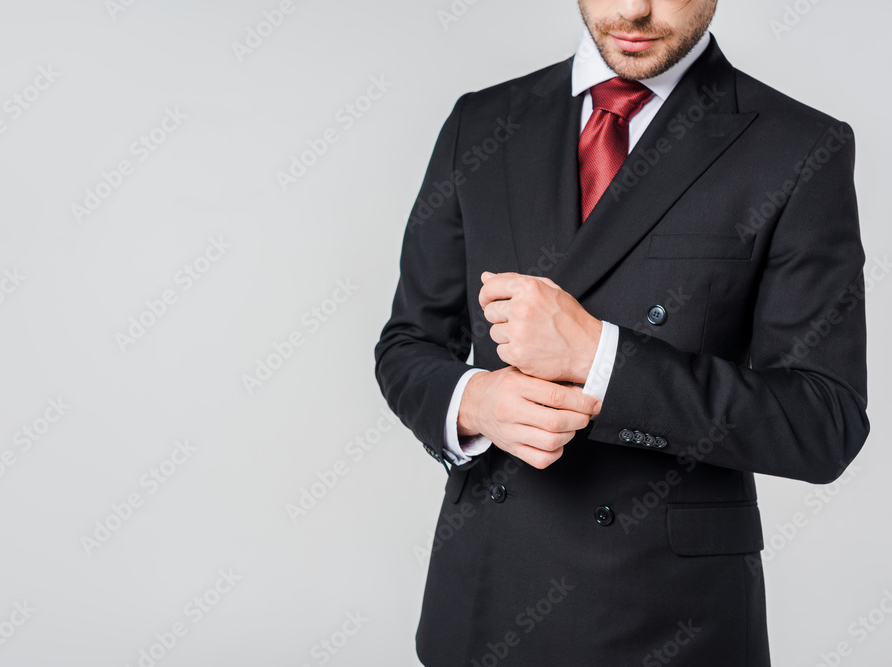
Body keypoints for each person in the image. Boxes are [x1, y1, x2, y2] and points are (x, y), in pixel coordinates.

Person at [373, 0, 870, 664]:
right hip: (485, 599)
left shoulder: (798, 147)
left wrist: (601, 358)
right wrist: (475, 402)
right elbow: (408, 344)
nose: (634, 9)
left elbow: (823, 423)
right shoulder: (483, 123)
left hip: (670, 621)